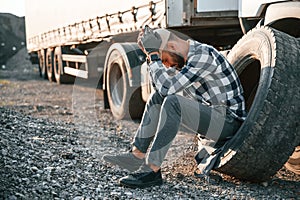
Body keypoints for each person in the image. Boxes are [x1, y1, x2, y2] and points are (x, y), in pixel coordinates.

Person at [103, 26, 247, 188]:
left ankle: (152, 170)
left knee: (174, 103)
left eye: (164, 59)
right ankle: (137, 155)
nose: (165, 65)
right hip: (213, 117)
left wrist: (154, 55)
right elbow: (160, 89)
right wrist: (152, 59)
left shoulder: (202, 55)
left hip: (228, 122)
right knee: (158, 96)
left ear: (172, 47)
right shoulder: (181, 60)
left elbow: (167, 88)